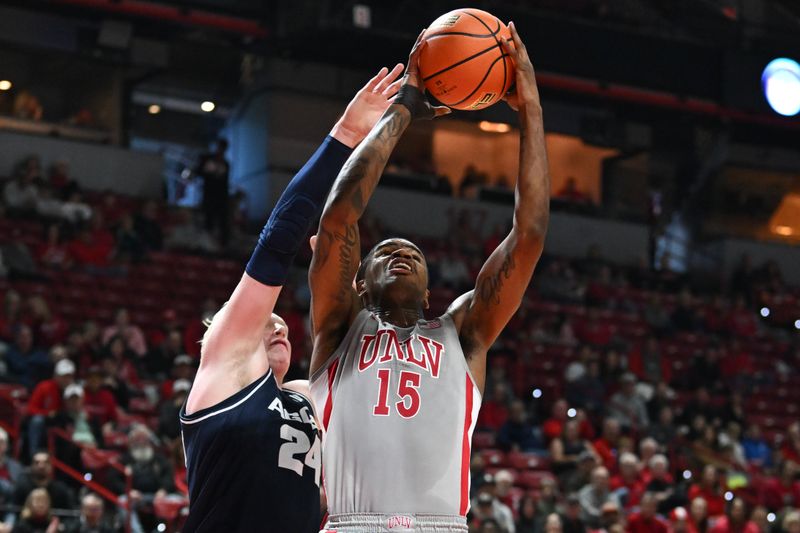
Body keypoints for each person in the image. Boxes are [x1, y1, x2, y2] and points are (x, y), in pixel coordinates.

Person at [309, 24, 549, 531]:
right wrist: (406, 109)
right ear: (357, 281)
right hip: (352, 523)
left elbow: (527, 236)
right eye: (385, 253)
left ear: (431, 286)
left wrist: (530, 110)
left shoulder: (463, 334)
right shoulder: (339, 328)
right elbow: (338, 219)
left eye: (413, 254)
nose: (401, 254)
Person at [178, 63, 405, 533]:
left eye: (283, 321)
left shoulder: (305, 398)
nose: (280, 324)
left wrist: (343, 281)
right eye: (268, 319)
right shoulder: (224, 361)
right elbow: (279, 240)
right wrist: (345, 135)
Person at [196, 138, 231, 246]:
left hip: (220, 197)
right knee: (209, 218)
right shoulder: (207, 159)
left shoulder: (225, 163)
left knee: (221, 220)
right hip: (209, 195)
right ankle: (208, 242)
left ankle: (221, 244)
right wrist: (209, 172)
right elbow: (198, 171)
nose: (221, 150)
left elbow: (225, 183)